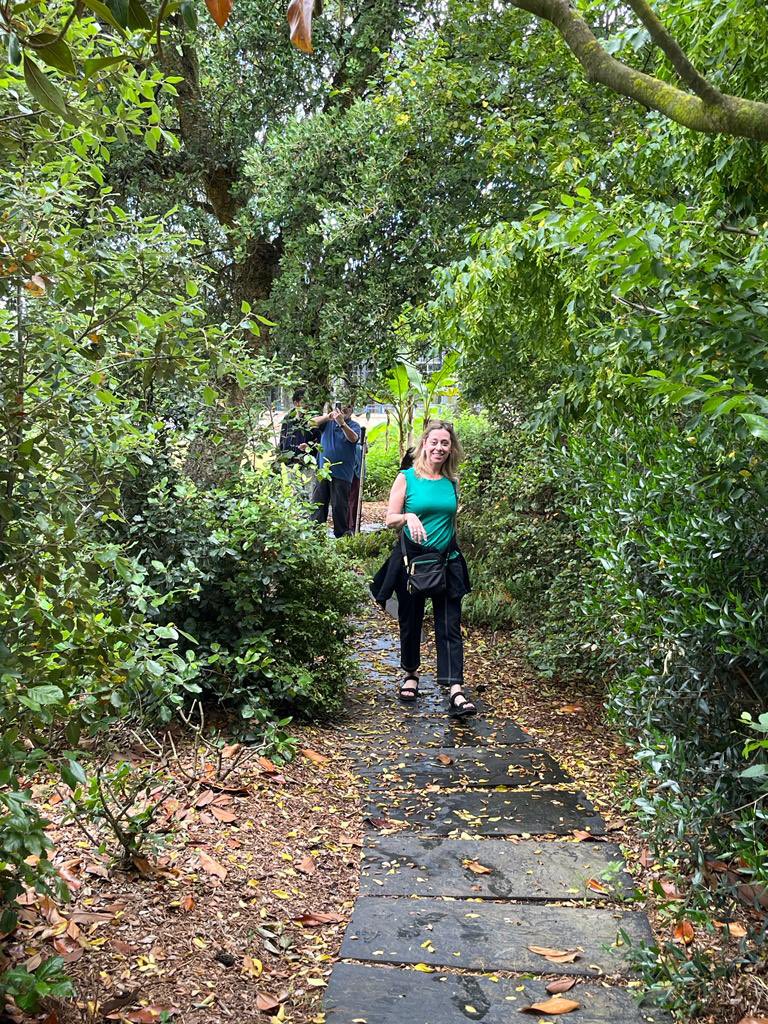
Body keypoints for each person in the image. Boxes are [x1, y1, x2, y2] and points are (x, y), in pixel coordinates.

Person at [371, 421, 476, 717]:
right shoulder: (407, 478)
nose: (439, 448)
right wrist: (409, 516)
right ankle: (411, 674)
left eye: (445, 443)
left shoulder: (452, 481)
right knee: (411, 620)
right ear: (424, 444)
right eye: (434, 442)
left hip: (446, 561)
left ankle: (455, 689)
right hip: (413, 562)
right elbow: (390, 518)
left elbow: (451, 517)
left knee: (449, 624)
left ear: (451, 448)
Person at [311, 400, 362, 538]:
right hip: (323, 472)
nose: (343, 411)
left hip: (342, 474)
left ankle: (341, 537)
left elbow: (353, 438)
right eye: (341, 409)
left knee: (340, 507)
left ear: (351, 411)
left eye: (347, 409)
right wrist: (328, 416)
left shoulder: (354, 425)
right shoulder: (327, 423)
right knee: (318, 505)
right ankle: (316, 535)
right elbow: (310, 423)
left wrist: (342, 424)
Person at [277, 388, 318, 465]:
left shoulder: (313, 419)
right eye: (304, 402)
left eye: (308, 402)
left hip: (306, 463)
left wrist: (309, 447)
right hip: (288, 463)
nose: (307, 405)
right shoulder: (288, 418)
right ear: (296, 403)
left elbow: (319, 443)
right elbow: (282, 440)